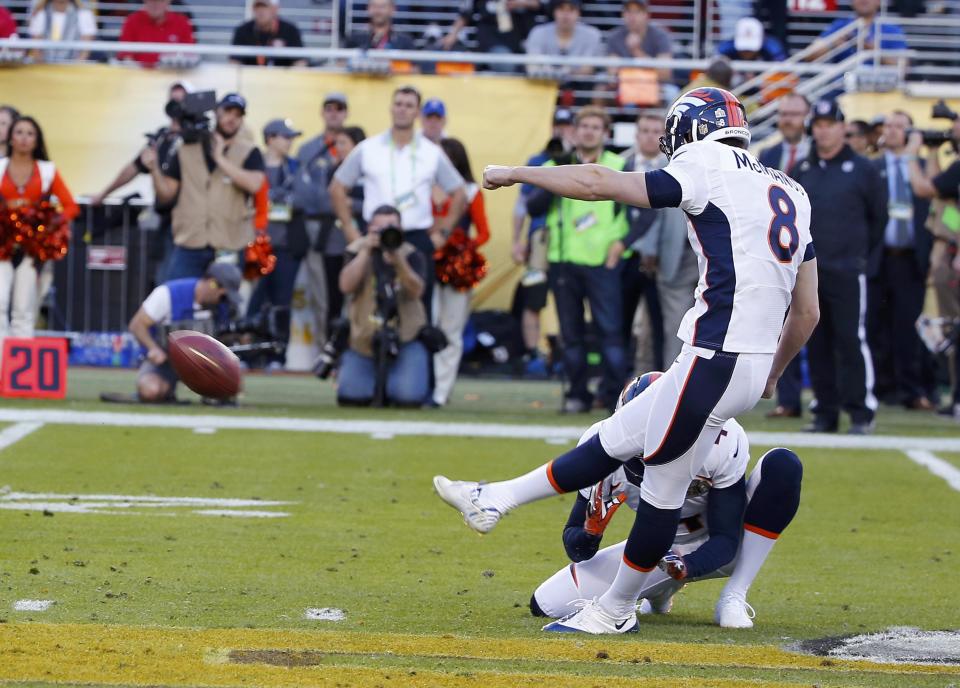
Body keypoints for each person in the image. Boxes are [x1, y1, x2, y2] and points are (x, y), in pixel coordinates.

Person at [434, 86, 819, 635]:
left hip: (716, 356)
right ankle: (492, 499)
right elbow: (807, 312)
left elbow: (596, 182)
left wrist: (518, 173)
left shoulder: (706, 164)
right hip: (743, 360)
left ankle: (615, 610)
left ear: (693, 129)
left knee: (661, 489)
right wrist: (774, 373)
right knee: (611, 441)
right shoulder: (793, 190)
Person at [532, 373, 803, 629]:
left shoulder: (721, 441)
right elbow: (576, 546)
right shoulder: (599, 443)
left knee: (783, 465)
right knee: (545, 604)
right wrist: (591, 533)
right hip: (652, 547)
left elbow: (726, 539)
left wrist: (688, 566)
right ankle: (658, 589)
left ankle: (734, 593)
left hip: (716, 546)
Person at [526, 106, 630, 413]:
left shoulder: (619, 165)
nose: (588, 131)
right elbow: (533, 208)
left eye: (595, 127)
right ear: (573, 131)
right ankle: (577, 394)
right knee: (571, 336)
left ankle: (614, 397)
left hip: (603, 262)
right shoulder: (558, 163)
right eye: (583, 126)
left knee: (610, 333)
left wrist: (621, 245)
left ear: (605, 133)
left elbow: (636, 215)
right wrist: (555, 173)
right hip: (564, 261)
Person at [330, 86, 466, 319]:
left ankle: (418, 355)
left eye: (409, 105)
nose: (402, 110)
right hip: (373, 236)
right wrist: (351, 231)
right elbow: (337, 188)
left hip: (414, 237)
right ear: (391, 108)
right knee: (365, 305)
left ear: (417, 113)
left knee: (419, 310)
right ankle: (363, 353)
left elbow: (460, 193)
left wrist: (442, 233)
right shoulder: (368, 148)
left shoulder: (430, 152)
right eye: (398, 104)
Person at [791, 99, 885, 435]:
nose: (823, 130)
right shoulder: (802, 170)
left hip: (847, 270)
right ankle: (825, 411)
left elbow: (878, 220)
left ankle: (861, 412)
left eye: (830, 123)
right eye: (818, 124)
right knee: (815, 342)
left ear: (843, 127)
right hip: (810, 272)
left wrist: (858, 258)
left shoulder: (864, 170)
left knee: (850, 340)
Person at [150, 93, 266, 280]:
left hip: (229, 244)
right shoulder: (185, 149)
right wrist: (154, 168)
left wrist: (220, 159)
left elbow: (254, 185)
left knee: (226, 305)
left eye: (238, 115)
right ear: (216, 112)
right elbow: (166, 195)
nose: (232, 119)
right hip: (190, 242)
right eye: (228, 111)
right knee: (180, 301)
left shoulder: (250, 151)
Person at [866, 111, 933, 411]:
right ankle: (881, 387)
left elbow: (939, 208)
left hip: (910, 258)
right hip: (878, 257)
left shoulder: (922, 167)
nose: (891, 131)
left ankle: (911, 389)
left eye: (898, 126)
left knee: (907, 326)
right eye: (887, 126)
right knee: (874, 325)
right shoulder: (871, 167)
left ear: (910, 132)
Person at [90, 82, 188, 284]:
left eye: (181, 100)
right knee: (162, 280)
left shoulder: (194, 139)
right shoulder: (161, 137)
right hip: (165, 220)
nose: (176, 106)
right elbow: (134, 167)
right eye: (173, 100)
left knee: (173, 282)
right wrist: (104, 193)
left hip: (187, 221)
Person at [337, 204, 430, 406]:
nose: (385, 234)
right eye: (379, 229)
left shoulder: (411, 253)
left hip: (405, 338)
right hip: (364, 340)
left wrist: (398, 260)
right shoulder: (356, 250)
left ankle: (395, 382)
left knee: (407, 398)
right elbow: (345, 286)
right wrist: (365, 252)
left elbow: (416, 291)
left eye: (391, 228)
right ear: (369, 229)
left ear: (401, 230)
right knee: (352, 397)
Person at [0, 116, 80, 342]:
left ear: (37, 140)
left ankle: (18, 369)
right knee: (0, 302)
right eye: (19, 132)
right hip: (2, 244)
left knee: (24, 309)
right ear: (11, 138)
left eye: (30, 133)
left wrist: (50, 225)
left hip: (31, 249)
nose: (24, 138)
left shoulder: (47, 171)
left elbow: (71, 206)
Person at [904, 106, 960, 416]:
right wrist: (936, 151)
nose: (952, 128)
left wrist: (913, 154)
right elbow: (940, 188)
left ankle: (956, 396)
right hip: (948, 250)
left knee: (951, 328)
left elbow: (924, 188)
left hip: (952, 253)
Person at [511, 108, 575, 373]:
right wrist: (517, 240)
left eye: (566, 125)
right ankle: (533, 352)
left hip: (570, 238)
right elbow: (522, 204)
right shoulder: (537, 159)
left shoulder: (578, 158)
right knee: (534, 296)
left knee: (567, 299)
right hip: (539, 238)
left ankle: (563, 351)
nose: (561, 130)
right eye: (557, 125)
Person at [758, 92, 810, 419]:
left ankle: (821, 398)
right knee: (778, 326)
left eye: (795, 113)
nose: (788, 119)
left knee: (810, 319)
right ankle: (787, 399)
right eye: (784, 113)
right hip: (777, 255)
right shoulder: (768, 153)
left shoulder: (819, 154)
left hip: (811, 254)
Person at [630, 112, 694, 373]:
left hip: (678, 257)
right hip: (645, 259)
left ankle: (677, 382)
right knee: (648, 326)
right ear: (636, 134)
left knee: (673, 326)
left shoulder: (679, 164)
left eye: (657, 131)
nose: (651, 137)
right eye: (645, 130)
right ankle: (648, 380)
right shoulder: (620, 163)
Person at [431, 137, 490, 407]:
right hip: (423, 266)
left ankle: (440, 392)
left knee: (451, 330)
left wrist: (460, 251)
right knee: (426, 326)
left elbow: (484, 233)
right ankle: (423, 384)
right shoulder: (425, 186)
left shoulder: (469, 191)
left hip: (454, 270)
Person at [128, 263, 242, 402]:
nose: (223, 301)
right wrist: (153, 349)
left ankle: (211, 394)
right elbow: (137, 325)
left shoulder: (223, 307)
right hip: (166, 361)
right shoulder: (168, 293)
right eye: (223, 296)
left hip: (204, 363)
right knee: (151, 391)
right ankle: (166, 390)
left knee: (229, 391)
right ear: (212, 284)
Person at [246, 118, 305, 368]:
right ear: (270, 138)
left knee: (282, 303)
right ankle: (248, 353)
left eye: (291, 137)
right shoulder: (253, 164)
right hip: (255, 245)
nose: (290, 142)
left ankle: (278, 356)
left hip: (285, 246)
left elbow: (306, 198)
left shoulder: (295, 167)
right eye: (285, 137)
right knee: (254, 302)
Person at [295, 92, 349, 345]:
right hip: (317, 227)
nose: (334, 113)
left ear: (346, 113)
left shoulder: (356, 147)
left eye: (339, 108)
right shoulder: (309, 149)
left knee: (349, 293)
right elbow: (302, 192)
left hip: (349, 228)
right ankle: (324, 348)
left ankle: (347, 349)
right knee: (321, 293)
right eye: (329, 108)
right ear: (322, 112)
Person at [439, 0, 541, 70]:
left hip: (519, 43)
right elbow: (465, 13)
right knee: (505, 64)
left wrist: (521, 3)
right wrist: (452, 35)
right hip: (492, 42)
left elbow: (540, 5)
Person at [524, 0, 603, 82]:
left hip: (579, 88)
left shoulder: (592, 34)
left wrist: (563, 74)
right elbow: (532, 67)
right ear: (553, 11)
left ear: (579, 12)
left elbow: (587, 69)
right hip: (542, 85)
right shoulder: (538, 32)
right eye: (561, 9)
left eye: (571, 9)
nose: (566, 15)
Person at [605, 0, 674, 93]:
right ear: (623, 14)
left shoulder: (661, 36)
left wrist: (637, 51)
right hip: (623, 84)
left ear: (647, 15)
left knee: (671, 92)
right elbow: (612, 74)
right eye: (628, 11)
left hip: (654, 84)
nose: (632, 16)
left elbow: (665, 74)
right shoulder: (614, 36)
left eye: (637, 11)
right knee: (601, 90)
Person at [809, 0, 907, 65]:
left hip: (879, 90)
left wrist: (871, 49)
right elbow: (809, 55)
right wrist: (833, 43)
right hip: (839, 89)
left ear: (879, 1)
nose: (864, 0)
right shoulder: (840, 26)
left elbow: (902, 67)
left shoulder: (891, 29)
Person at [118, 0, 195, 67]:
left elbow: (189, 55)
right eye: (152, 0)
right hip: (139, 77)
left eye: (160, 1)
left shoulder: (182, 22)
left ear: (168, 1)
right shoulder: (131, 21)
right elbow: (126, 57)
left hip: (171, 76)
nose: (155, 5)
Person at [231, 0, 306, 68]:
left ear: (275, 9)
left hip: (284, 79)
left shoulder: (290, 30)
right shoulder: (242, 30)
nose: (260, 11)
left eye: (265, 7)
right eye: (257, 7)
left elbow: (300, 62)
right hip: (251, 79)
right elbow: (234, 62)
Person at [28, 0, 97, 63]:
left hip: (73, 67)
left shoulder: (84, 13)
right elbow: (36, 46)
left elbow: (86, 48)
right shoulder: (41, 12)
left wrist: (75, 65)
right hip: (45, 66)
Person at [344, 0, 415, 50]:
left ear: (393, 9)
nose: (378, 11)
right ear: (368, 9)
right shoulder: (355, 37)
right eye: (374, 6)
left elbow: (415, 68)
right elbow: (341, 64)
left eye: (382, 6)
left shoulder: (405, 40)